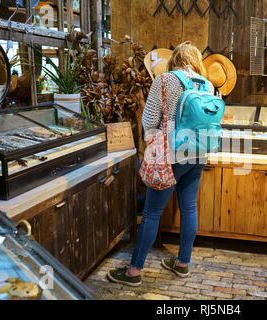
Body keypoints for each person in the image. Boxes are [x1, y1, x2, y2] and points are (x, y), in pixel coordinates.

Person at [107, 42, 214, 287]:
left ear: (174, 60)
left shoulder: (164, 80)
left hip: (171, 154)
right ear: (196, 60)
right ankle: (182, 264)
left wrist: (153, 140)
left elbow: (150, 119)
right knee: (189, 208)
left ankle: (133, 272)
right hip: (198, 152)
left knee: (152, 212)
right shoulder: (207, 84)